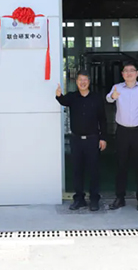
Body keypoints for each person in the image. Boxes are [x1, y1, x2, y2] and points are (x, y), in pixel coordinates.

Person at [56, 71, 107, 211]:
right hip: (76, 140)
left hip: (92, 139)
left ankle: (94, 199)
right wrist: (59, 95)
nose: (82, 82)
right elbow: (63, 101)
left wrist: (103, 138)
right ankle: (79, 199)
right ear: (76, 82)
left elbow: (102, 119)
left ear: (89, 82)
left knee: (94, 170)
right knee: (77, 170)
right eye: (80, 80)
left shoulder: (96, 98)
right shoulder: (72, 97)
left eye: (85, 80)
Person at [106, 62, 138, 211]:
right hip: (122, 132)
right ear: (122, 74)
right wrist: (112, 96)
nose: (129, 73)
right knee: (121, 165)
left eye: (132, 70)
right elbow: (108, 99)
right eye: (126, 71)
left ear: (137, 73)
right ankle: (120, 197)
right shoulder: (117, 88)